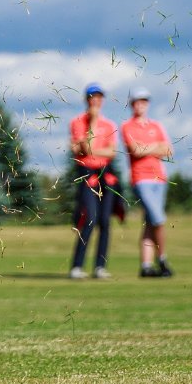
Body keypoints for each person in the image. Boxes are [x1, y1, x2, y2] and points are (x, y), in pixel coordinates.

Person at [121, 88, 174, 278]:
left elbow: (168, 150)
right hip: (140, 178)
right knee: (158, 219)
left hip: (159, 178)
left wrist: (149, 148)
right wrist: (156, 147)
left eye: (144, 101)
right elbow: (136, 150)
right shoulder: (127, 126)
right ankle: (163, 260)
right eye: (137, 101)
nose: (141, 104)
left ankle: (146, 266)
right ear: (132, 104)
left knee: (150, 222)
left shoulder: (157, 125)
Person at [68, 83, 119, 280]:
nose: (95, 101)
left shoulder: (110, 125)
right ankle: (77, 266)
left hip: (106, 174)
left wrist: (90, 149)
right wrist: (93, 123)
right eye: (92, 97)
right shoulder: (78, 122)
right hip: (87, 174)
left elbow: (112, 152)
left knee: (105, 221)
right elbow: (84, 149)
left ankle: (100, 266)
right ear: (87, 100)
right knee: (90, 219)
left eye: (99, 97)